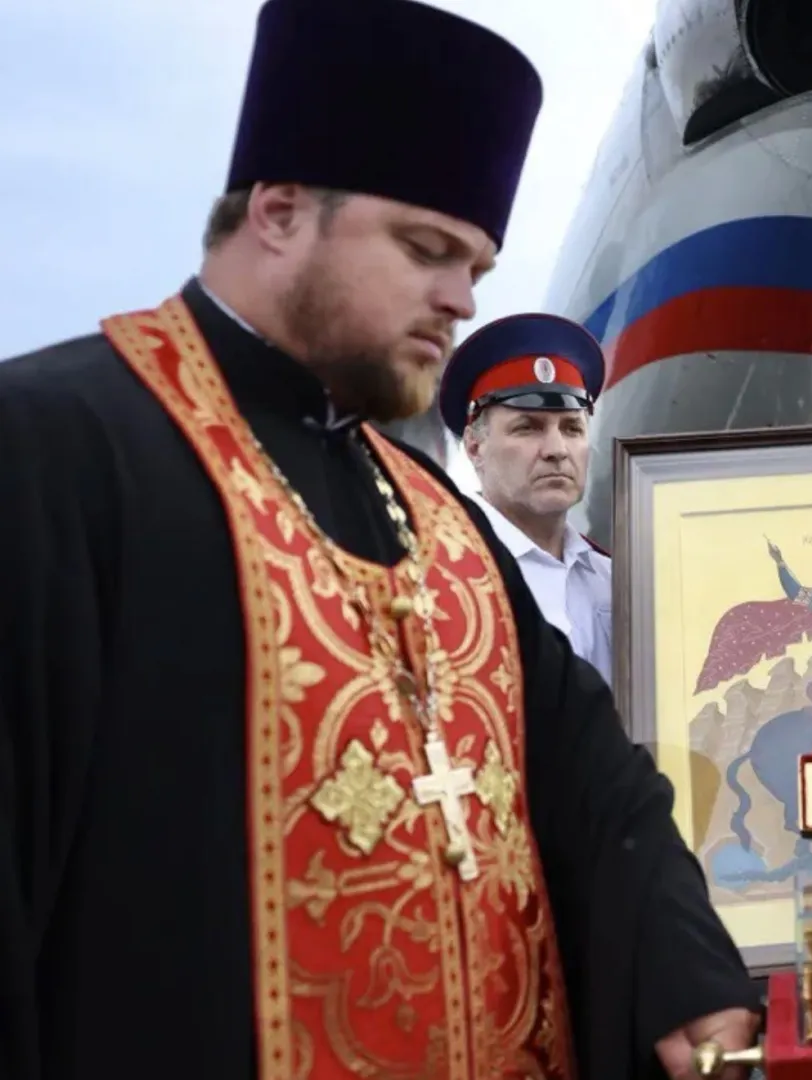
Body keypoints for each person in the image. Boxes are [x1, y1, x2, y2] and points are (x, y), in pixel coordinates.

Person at [0, 2, 761, 1078]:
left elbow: (592, 776)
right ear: (278, 211)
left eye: (478, 270)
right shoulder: (52, 448)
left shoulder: (438, 518)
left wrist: (682, 965)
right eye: (425, 250)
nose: (457, 300)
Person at [444, 313, 616, 684]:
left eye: (572, 428)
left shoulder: (616, 580)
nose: (557, 450)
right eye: (528, 428)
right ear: (475, 447)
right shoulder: (444, 576)